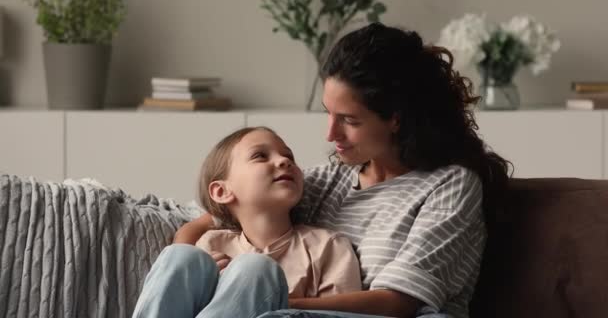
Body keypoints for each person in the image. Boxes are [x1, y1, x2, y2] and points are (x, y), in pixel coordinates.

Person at [173, 22, 511, 318]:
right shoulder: (328, 181)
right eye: (328, 114)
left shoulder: (450, 185)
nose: (330, 135)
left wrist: (270, 302)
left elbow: (398, 304)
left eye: (349, 120)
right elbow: (212, 217)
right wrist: (193, 260)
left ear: (396, 118)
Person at [132, 126, 362, 318]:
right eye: (260, 156)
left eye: (289, 156)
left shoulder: (328, 246)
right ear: (222, 191)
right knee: (181, 255)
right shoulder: (211, 244)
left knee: (257, 268)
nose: (283, 160)